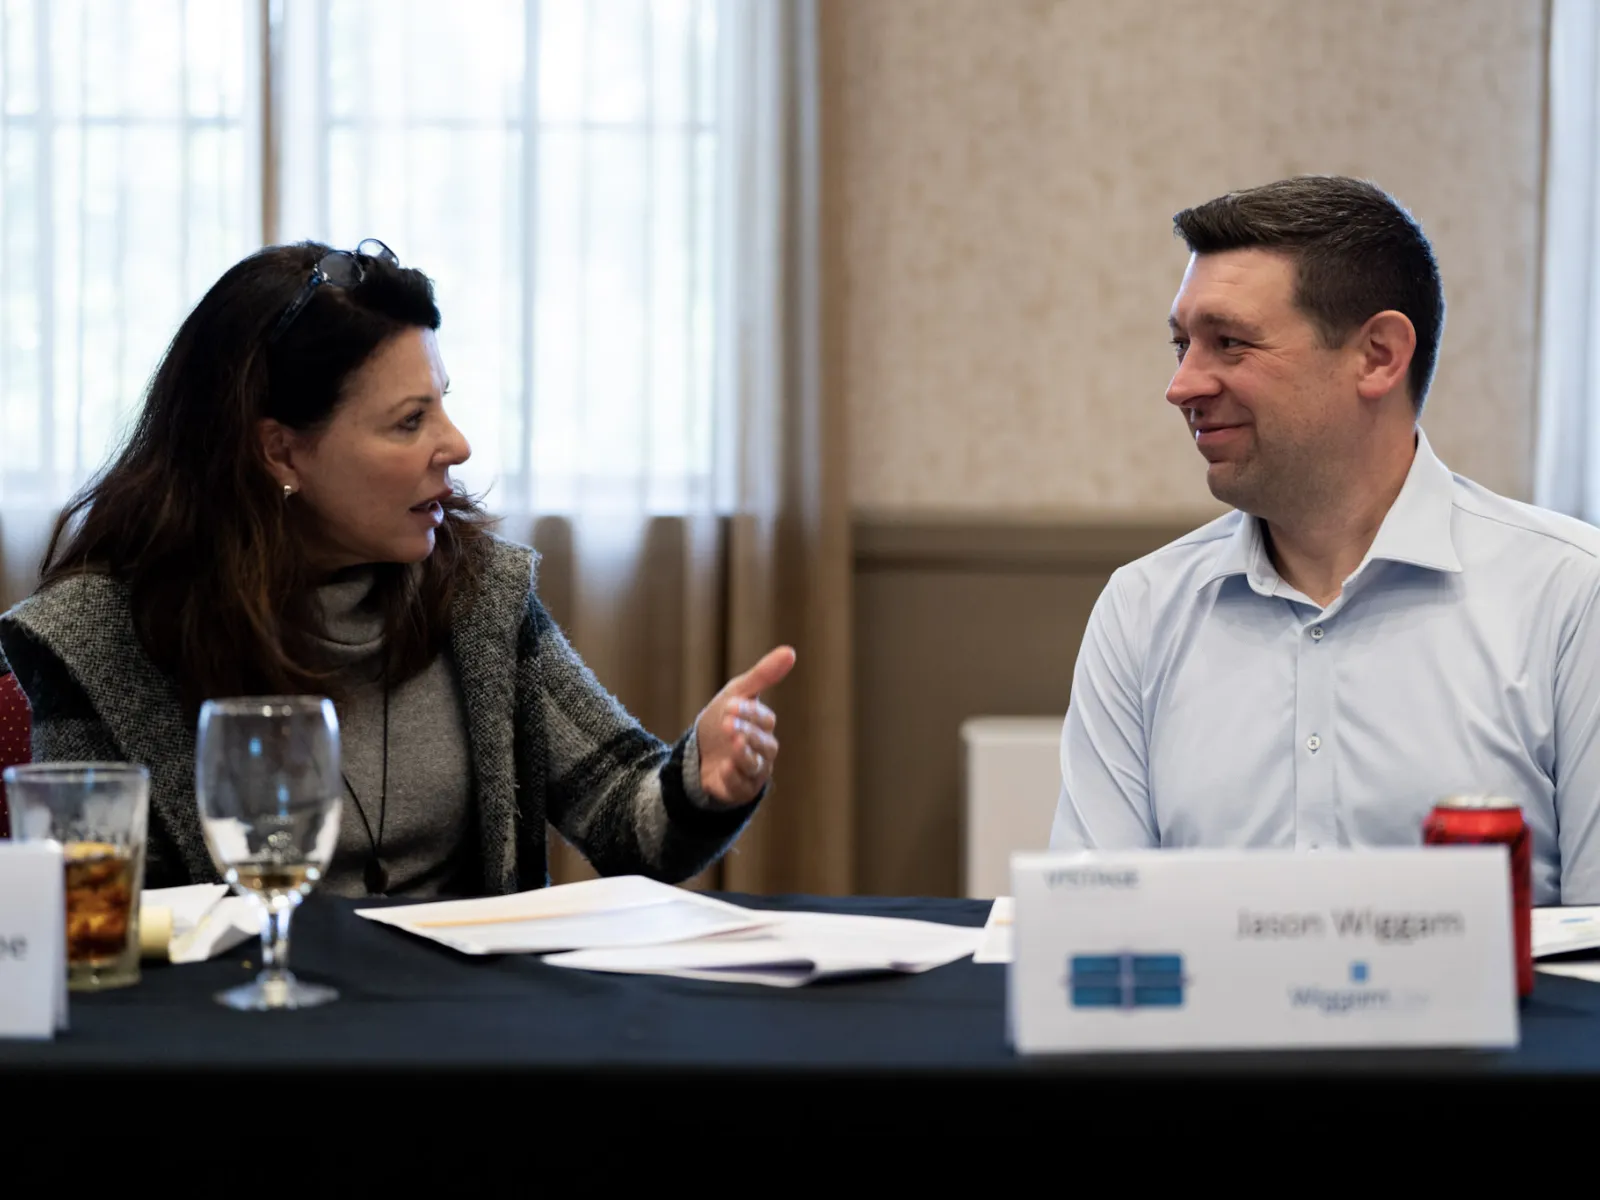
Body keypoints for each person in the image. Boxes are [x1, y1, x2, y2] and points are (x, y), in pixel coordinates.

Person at [0, 239, 795, 898]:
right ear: (281, 451)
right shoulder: (103, 637)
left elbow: (629, 825)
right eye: (410, 420)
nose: (456, 444)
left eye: (442, 403)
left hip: (462, 1038)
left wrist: (703, 778)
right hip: (240, 1041)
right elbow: (91, 913)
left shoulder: (479, 592)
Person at [1049, 175, 1600, 906]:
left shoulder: (1570, 596)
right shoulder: (1143, 609)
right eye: (1183, 345)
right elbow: (1093, 929)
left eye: (1229, 344)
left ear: (1377, 354)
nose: (1181, 386)